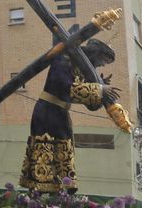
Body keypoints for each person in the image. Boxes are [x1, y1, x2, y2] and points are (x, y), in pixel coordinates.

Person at [19, 37, 119, 193]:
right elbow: (62, 86)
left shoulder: (85, 69)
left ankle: (62, 193)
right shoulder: (65, 57)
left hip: (60, 114)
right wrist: (98, 90)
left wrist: (102, 90)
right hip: (47, 112)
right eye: (103, 60)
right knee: (45, 153)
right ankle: (42, 195)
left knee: (63, 153)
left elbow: (91, 106)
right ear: (95, 53)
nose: (102, 65)